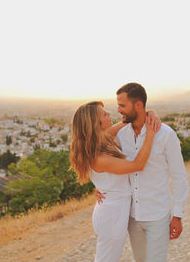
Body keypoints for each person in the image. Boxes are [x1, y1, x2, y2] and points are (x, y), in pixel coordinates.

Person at [97, 83, 189, 261]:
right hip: (132, 216)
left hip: (157, 216)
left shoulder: (166, 135)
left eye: (122, 105)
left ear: (138, 105)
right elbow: (101, 153)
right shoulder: (122, 134)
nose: (118, 110)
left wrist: (178, 215)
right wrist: (101, 185)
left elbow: (180, 177)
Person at [69, 101, 158, 262]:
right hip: (113, 214)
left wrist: (148, 114)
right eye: (104, 114)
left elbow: (125, 122)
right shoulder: (99, 157)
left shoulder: (101, 139)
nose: (109, 114)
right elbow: (138, 165)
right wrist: (150, 134)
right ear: (96, 123)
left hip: (113, 208)